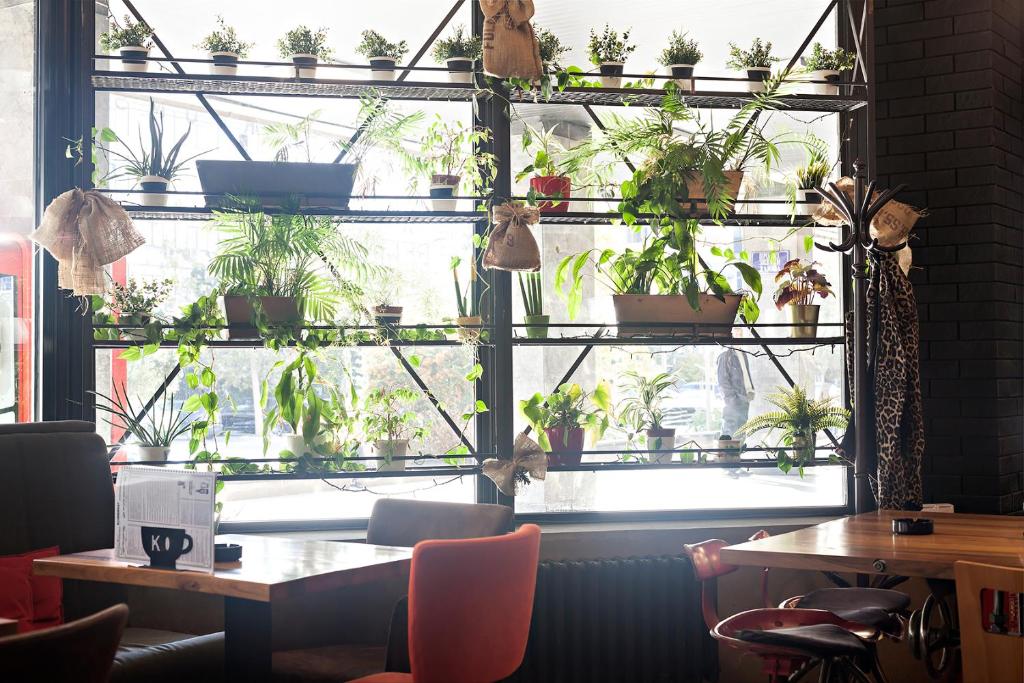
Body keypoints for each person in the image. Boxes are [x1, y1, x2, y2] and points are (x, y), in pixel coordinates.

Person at [716, 348, 754, 436]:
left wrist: (750, 391)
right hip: (733, 401)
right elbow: (722, 381)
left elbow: (746, 374)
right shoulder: (725, 356)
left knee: (741, 433)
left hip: (744, 399)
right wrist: (732, 399)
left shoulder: (743, 354)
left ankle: (739, 445)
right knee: (730, 434)